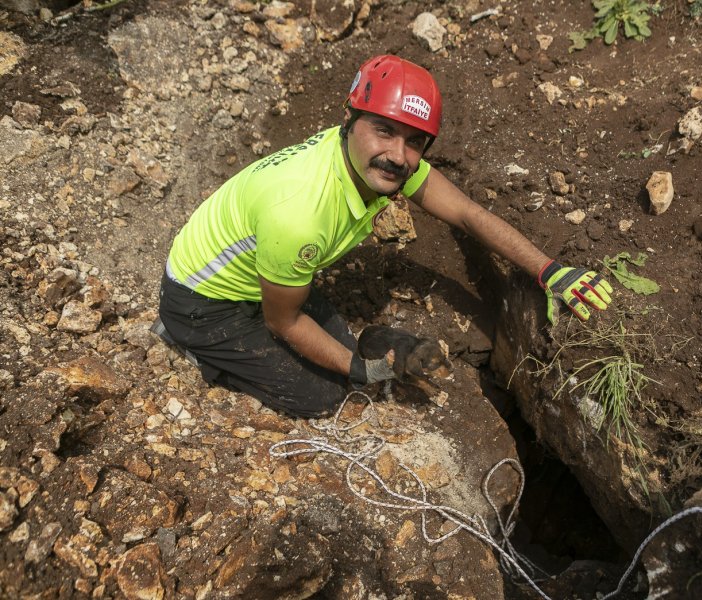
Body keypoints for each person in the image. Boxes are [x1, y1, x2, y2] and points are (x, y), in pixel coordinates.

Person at [155, 55, 613, 418]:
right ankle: (194, 347)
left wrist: (551, 272)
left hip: (263, 275)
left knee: (339, 350)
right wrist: (368, 370)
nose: (398, 154)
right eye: (385, 131)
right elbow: (285, 323)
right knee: (323, 396)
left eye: (414, 141)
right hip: (203, 304)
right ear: (350, 119)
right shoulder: (300, 212)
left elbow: (469, 215)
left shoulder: (365, 161)